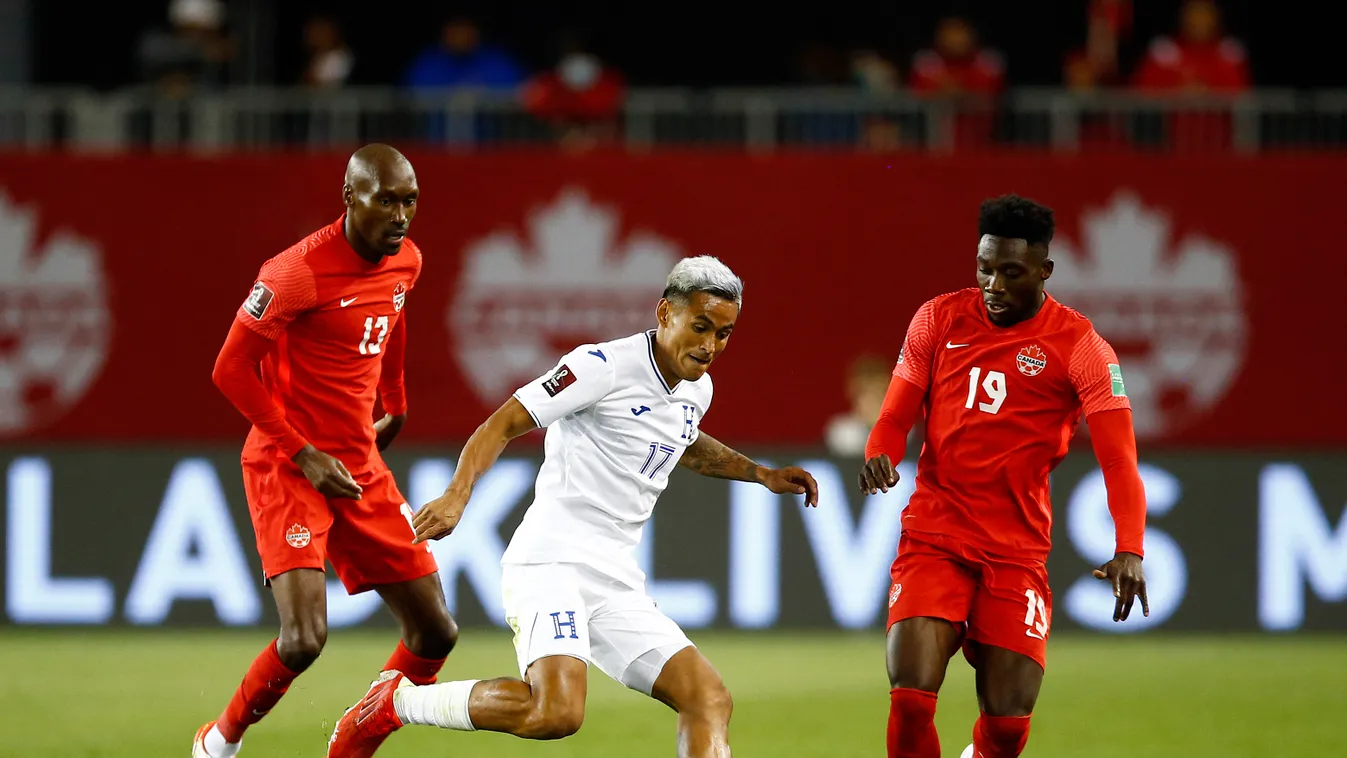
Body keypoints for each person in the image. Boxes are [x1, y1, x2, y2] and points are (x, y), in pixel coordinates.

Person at [326, 256, 820, 758]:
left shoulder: (698, 390)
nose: (710, 345)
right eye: (700, 327)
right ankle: (396, 703)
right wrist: (457, 495)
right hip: (552, 561)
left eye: (724, 333)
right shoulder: (600, 367)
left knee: (709, 698)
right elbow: (503, 423)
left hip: (615, 579)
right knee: (556, 713)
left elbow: (684, 441)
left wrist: (759, 473)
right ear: (664, 313)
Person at [858, 195, 1148, 758]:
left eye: (1010, 272)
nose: (993, 283)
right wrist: (881, 452)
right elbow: (895, 415)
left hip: (1015, 551)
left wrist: (1130, 546)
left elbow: (1119, 460)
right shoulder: (938, 318)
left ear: (1044, 271)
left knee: (1008, 726)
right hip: (935, 536)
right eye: (984, 267)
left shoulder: (1082, 348)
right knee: (912, 695)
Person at [195, 144, 456, 758]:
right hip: (288, 465)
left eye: (410, 201)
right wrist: (304, 453)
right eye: (385, 200)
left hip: (359, 466)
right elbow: (230, 369)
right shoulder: (294, 272)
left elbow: (394, 317)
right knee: (304, 639)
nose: (400, 215)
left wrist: (397, 396)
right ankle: (219, 741)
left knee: (435, 632)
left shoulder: (407, 260)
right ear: (349, 197)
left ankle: (352, 743)